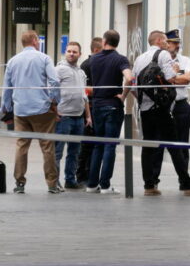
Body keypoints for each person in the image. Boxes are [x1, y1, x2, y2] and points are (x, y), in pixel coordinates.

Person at [133, 31, 190, 196]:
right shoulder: (163, 54)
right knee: (174, 146)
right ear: (158, 40)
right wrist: (179, 73)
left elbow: (133, 84)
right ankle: (187, 185)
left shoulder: (139, 58)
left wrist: (143, 101)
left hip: (145, 109)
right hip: (161, 109)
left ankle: (149, 186)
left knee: (148, 147)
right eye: (165, 40)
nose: (167, 43)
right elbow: (172, 79)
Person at [1, 30, 61, 195]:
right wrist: (55, 101)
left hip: (21, 110)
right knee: (47, 147)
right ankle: (51, 184)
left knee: (21, 146)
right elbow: (54, 81)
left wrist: (6, 109)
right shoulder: (44, 58)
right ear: (35, 41)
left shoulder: (12, 61)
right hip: (42, 108)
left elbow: (7, 87)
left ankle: (19, 183)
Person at [86, 30, 132, 195]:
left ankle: (91, 184)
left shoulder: (94, 59)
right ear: (117, 43)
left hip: (97, 105)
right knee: (110, 146)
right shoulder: (120, 59)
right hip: (113, 105)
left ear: (104, 41)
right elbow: (130, 78)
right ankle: (105, 185)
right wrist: (123, 96)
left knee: (98, 145)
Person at [54, 41, 91, 189]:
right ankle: (54, 182)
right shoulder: (59, 70)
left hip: (79, 117)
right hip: (63, 117)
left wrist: (88, 116)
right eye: (69, 51)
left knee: (74, 152)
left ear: (79, 54)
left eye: (74, 52)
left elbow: (84, 95)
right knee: (57, 152)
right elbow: (52, 91)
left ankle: (70, 180)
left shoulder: (81, 72)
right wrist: (54, 110)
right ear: (65, 52)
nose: (71, 54)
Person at [165, 29, 190, 173]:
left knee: (183, 142)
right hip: (165, 106)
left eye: (178, 43)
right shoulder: (161, 60)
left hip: (181, 104)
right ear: (166, 43)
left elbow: (188, 79)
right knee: (161, 143)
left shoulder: (185, 60)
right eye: (173, 43)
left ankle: (185, 179)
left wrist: (173, 76)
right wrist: (177, 78)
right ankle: (153, 181)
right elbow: (162, 81)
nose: (176, 46)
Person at [76, 37, 102, 184]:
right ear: (96, 50)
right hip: (89, 108)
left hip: (93, 107)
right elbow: (84, 89)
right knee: (86, 144)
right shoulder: (87, 65)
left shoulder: (94, 64)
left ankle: (89, 174)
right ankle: (82, 175)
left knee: (91, 144)